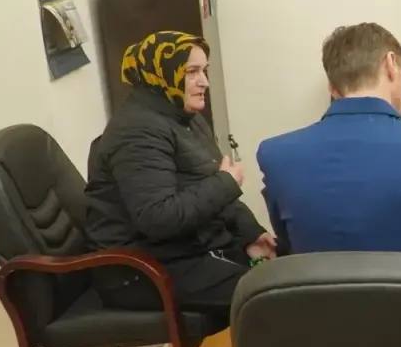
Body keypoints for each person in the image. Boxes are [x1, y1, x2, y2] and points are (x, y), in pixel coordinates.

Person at [257, 23, 401, 290]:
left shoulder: (277, 156)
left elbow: (292, 253)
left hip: (318, 315)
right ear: (391, 64)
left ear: (332, 88)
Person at [86, 31, 276, 328]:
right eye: (192, 72)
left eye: (204, 71)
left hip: (185, 250)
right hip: (143, 271)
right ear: (162, 74)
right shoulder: (137, 133)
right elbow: (158, 217)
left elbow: (212, 188)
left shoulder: (185, 117)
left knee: (291, 273)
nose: (204, 82)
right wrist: (226, 182)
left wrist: (251, 234)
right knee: (273, 297)